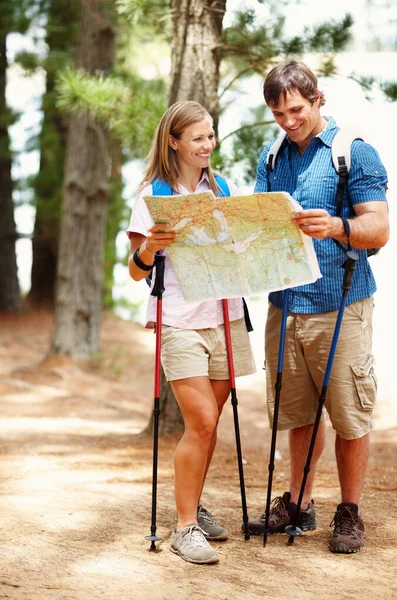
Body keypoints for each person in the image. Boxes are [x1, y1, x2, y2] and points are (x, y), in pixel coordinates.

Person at [246, 60, 390, 553]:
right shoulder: (270, 158)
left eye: (296, 109)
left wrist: (336, 226)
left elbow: (379, 230)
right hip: (285, 305)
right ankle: (299, 503)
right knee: (300, 413)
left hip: (342, 303)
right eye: (278, 113)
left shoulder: (353, 154)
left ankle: (348, 511)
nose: (289, 121)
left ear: (317, 99)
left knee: (349, 414)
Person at [127, 100, 256, 564]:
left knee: (211, 424)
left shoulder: (222, 187)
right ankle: (184, 529)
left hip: (226, 315)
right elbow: (135, 271)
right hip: (180, 319)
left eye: (211, 135)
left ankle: (193, 506)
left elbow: (241, 251)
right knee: (200, 421)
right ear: (174, 142)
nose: (208, 144)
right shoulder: (152, 195)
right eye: (199, 137)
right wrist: (152, 248)